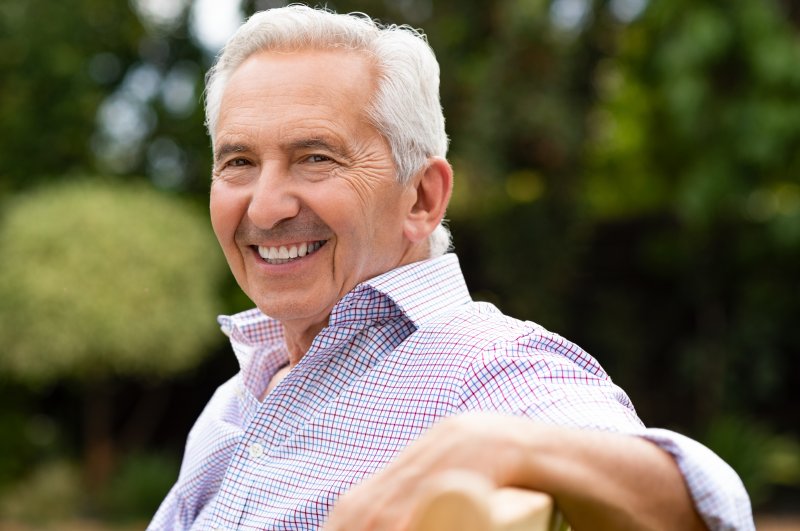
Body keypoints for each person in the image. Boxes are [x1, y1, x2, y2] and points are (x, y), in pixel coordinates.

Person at [150, 5, 754, 530]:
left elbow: (705, 514)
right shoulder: (237, 397)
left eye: (315, 157)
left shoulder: (490, 372)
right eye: (238, 162)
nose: (264, 206)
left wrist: (505, 446)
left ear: (422, 199)